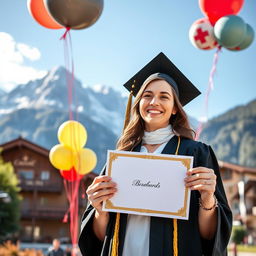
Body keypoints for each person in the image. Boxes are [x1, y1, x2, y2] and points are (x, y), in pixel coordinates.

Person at [78, 52, 232, 255]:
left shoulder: (196, 154)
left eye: (164, 97)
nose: (154, 102)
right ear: (139, 103)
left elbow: (209, 237)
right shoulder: (121, 159)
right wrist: (99, 208)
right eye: (147, 95)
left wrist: (208, 199)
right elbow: (100, 238)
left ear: (175, 108)